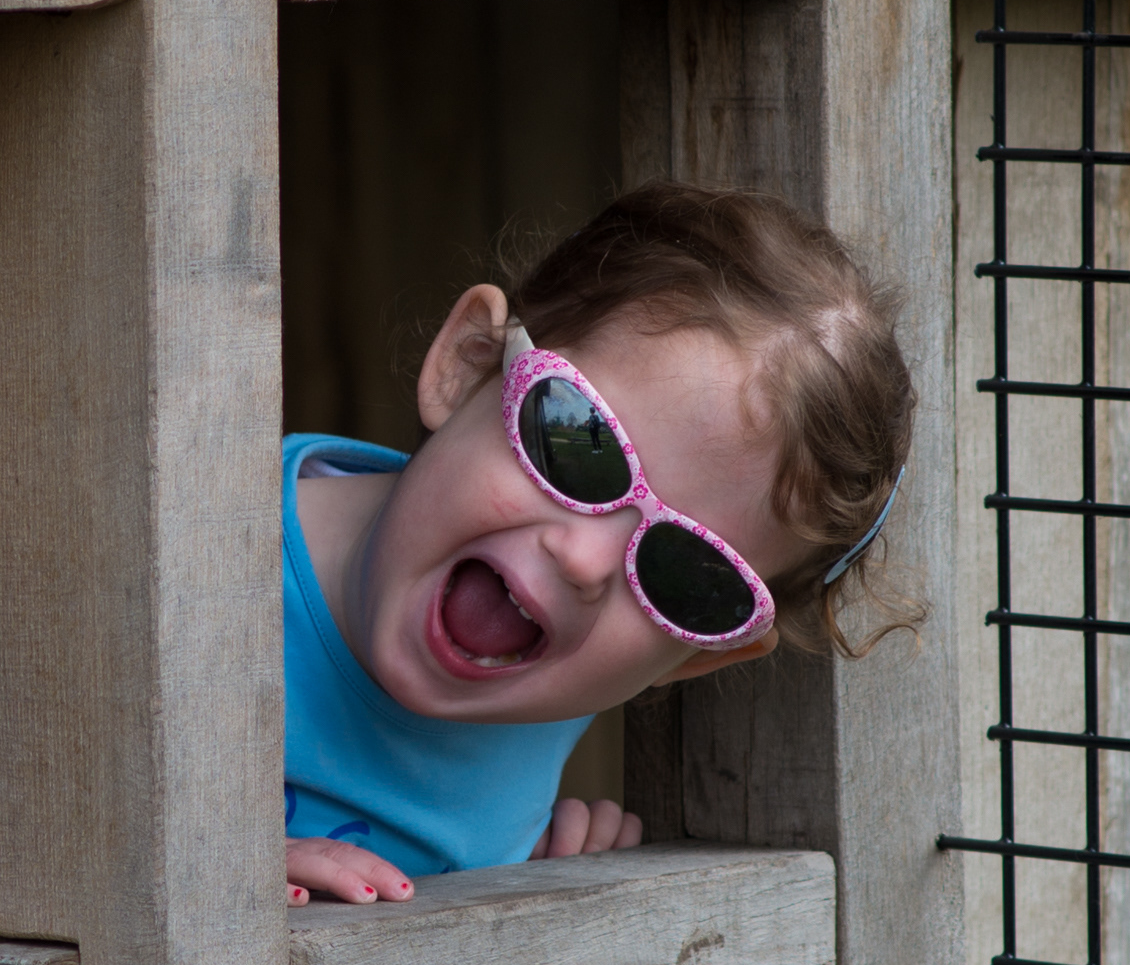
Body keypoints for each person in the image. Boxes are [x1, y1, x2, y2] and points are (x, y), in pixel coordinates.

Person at [284, 180, 918, 905]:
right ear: (469, 365)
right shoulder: (194, 529)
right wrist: (213, 872)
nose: (584, 563)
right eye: (577, 446)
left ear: (694, 657)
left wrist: (536, 881)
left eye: (688, 575)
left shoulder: (531, 773)